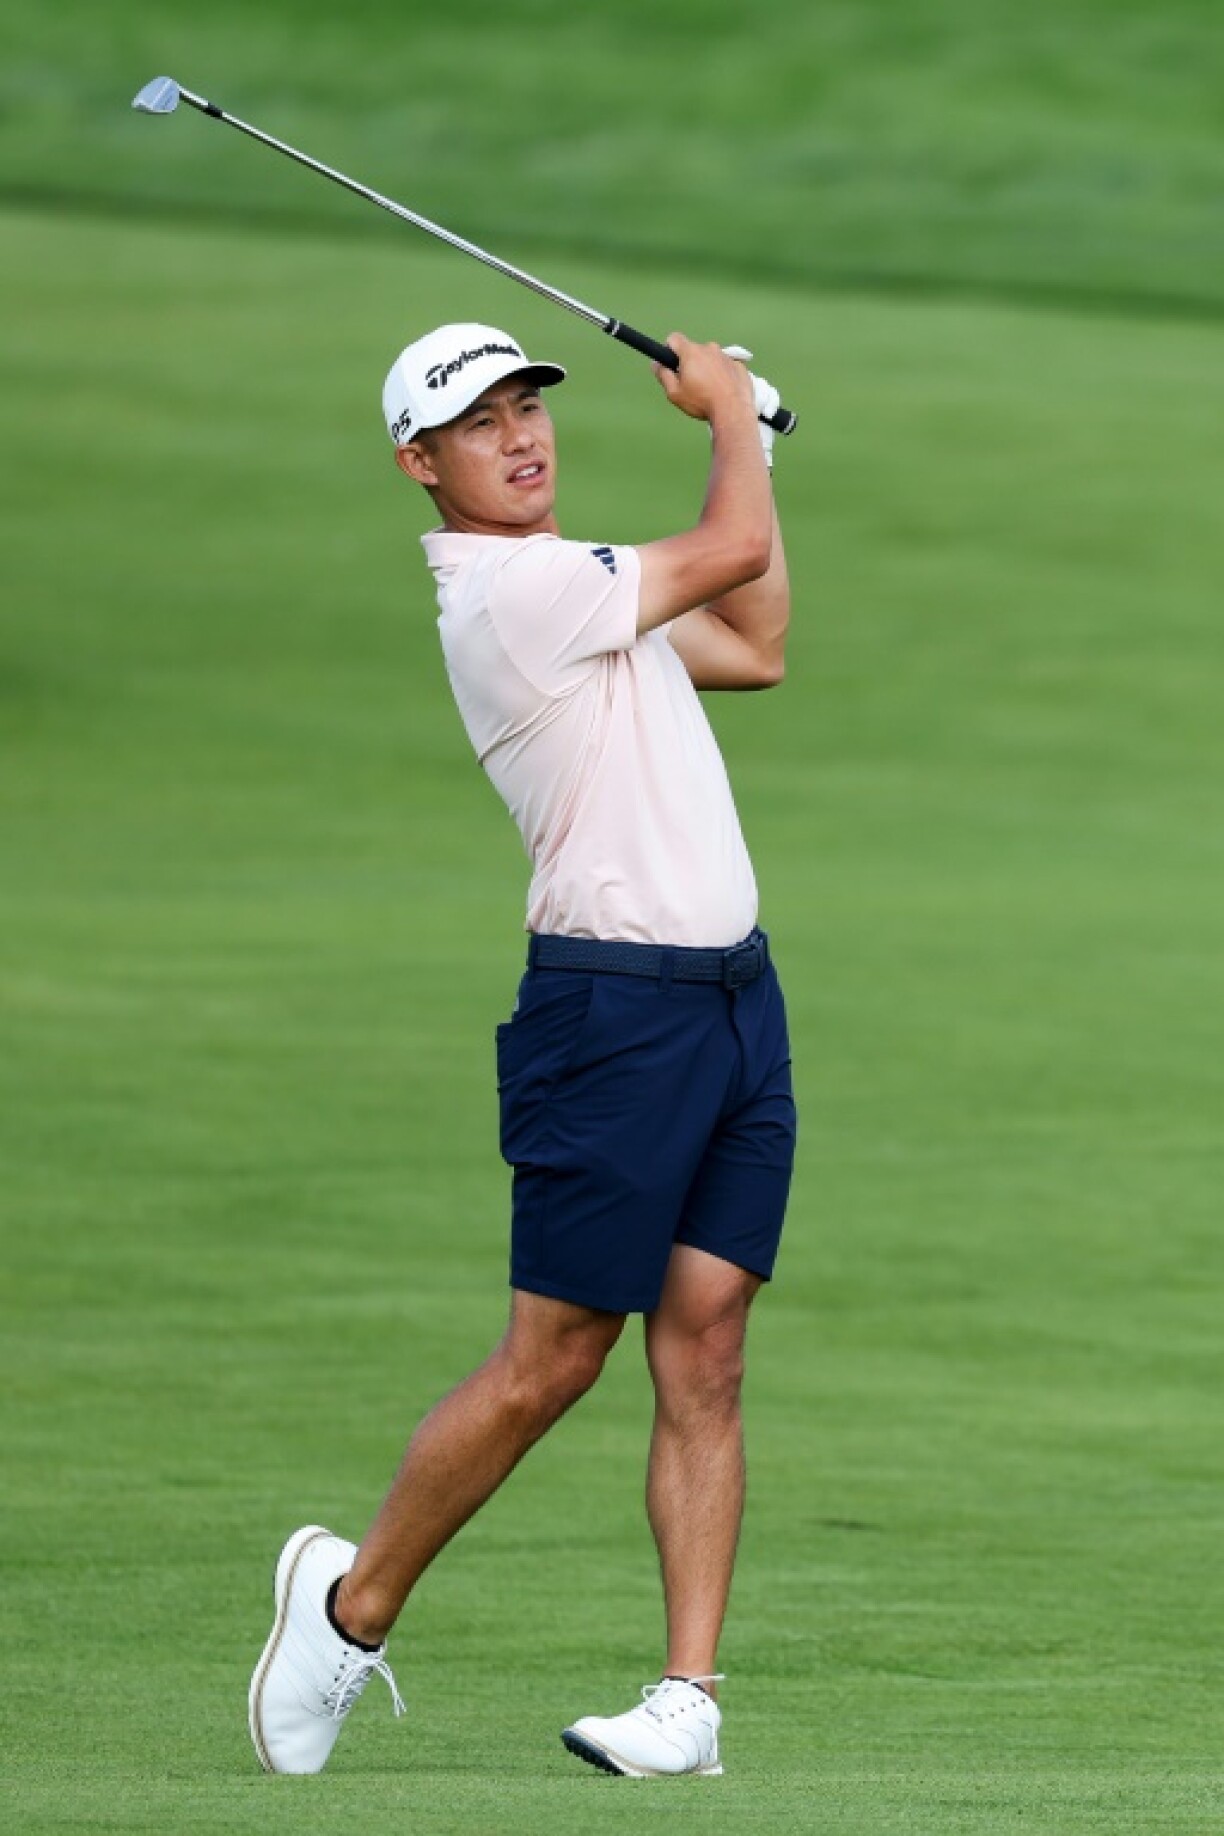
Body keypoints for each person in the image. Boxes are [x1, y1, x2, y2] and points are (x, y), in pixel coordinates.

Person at [248, 320, 797, 1780]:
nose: (520, 436)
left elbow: (755, 645)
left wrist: (745, 439)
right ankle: (348, 1610)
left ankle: (687, 1701)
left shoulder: (588, 585)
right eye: (479, 423)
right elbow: (734, 546)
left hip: (734, 1007)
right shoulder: (519, 595)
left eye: (527, 408)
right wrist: (729, 416)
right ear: (419, 464)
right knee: (554, 1360)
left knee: (709, 1346)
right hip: (611, 1019)